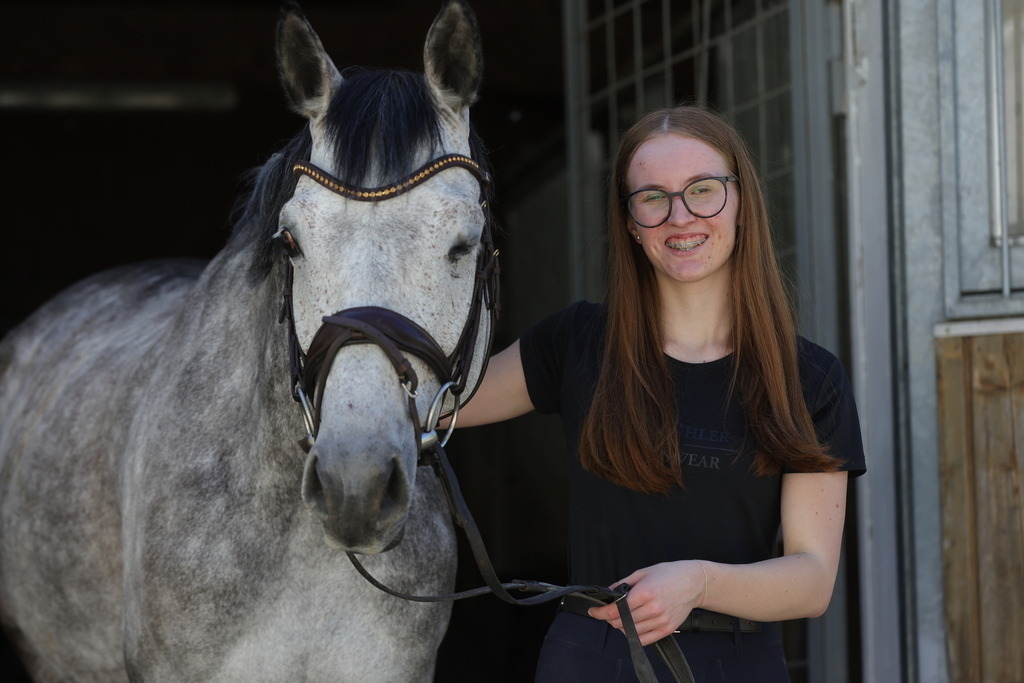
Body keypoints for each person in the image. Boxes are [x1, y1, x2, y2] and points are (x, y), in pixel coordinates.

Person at [453, 105, 866, 682]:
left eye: (702, 190)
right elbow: (439, 402)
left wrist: (699, 582)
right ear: (628, 221)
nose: (681, 216)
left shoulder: (808, 379)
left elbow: (812, 579)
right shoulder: (575, 343)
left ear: (741, 202)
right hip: (589, 659)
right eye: (652, 197)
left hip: (738, 665)